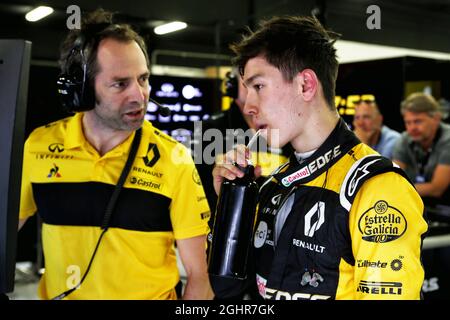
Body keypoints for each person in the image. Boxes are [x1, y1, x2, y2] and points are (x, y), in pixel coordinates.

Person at [211, 15, 427, 300]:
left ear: (305, 85)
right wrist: (229, 206)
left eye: (258, 86)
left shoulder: (376, 188)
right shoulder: (272, 185)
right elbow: (228, 292)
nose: (249, 106)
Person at [18, 9, 213, 300]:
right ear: (82, 90)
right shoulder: (39, 146)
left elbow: (201, 277)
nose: (139, 95)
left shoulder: (175, 159)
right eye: (120, 84)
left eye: (143, 79)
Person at [393, 92, 450, 208]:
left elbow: (436, 189)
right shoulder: (404, 139)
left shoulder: (447, 139)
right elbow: (393, 178)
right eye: (408, 122)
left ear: (436, 119)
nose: (412, 128)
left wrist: (398, 189)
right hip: (414, 204)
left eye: (418, 121)